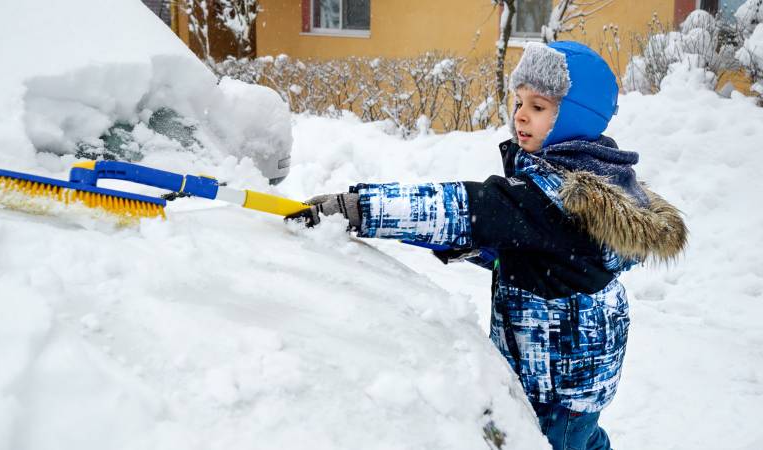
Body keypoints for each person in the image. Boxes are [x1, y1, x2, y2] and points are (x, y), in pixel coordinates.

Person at [288, 41, 687, 450]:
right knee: (583, 439)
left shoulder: (556, 198)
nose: (521, 115)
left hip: (555, 389)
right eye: (519, 101)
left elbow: (461, 208)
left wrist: (359, 209)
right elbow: (552, 260)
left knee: (559, 443)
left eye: (539, 106)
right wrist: (486, 248)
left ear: (575, 117)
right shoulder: (596, 181)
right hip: (575, 376)